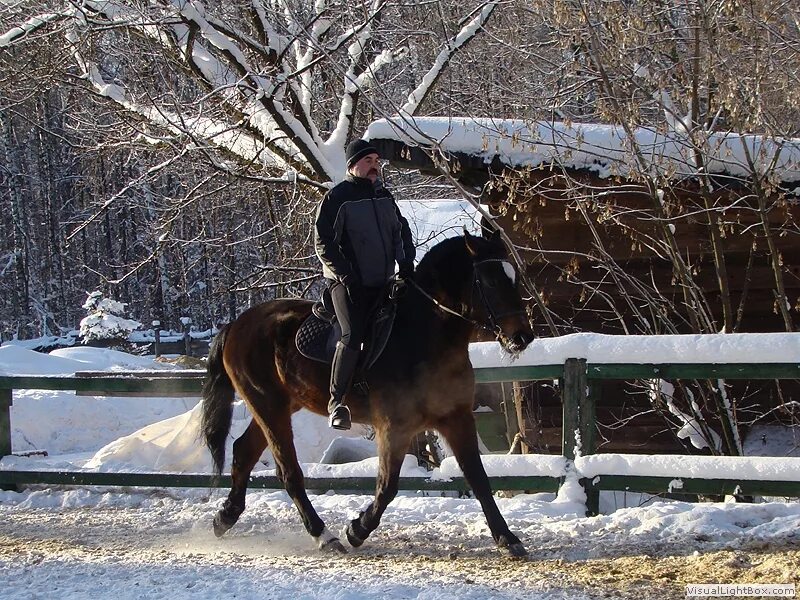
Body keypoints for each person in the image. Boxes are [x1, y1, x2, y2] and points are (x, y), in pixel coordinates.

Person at [314, 139, 416, 430]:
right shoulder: (337, 198)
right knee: (353, 333)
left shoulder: (384, 196)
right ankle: (337, 403)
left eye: (377, 160)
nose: (375, 165)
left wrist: (406, 265)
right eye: (368, 160)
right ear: (352, 165)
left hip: (382, 281)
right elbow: (324, 242)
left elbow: (401, 231)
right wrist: (346, 276)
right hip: (346, 284)